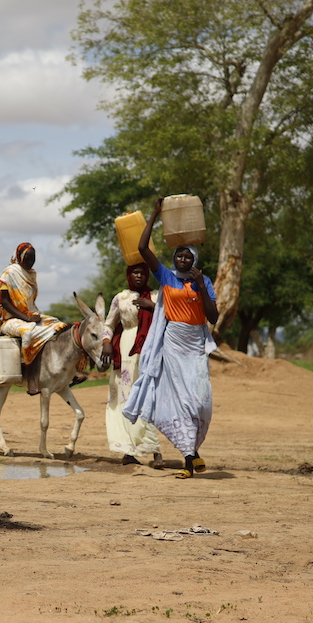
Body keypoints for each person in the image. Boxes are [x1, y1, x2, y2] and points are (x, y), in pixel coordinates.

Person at [122, 197, 219, 478]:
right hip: (173, 343)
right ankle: (189, 459)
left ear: (194, 260)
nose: (183, 259)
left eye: (188, 257)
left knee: (199, 399)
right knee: (178, 400)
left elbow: (212, 317)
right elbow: (142, 248)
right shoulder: (167, 276)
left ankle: (194, 450)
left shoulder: (204, 281)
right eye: (179, 256)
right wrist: (154, 214)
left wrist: (200, 286)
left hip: (195, 345)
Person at [100, 262, 164, 467]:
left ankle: (155, 451)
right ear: (129, 275)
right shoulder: (121, 298)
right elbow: (109, 324)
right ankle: (128, 451)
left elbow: (170, 317)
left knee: (148, 397)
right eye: (135, 272)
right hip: (126, 350)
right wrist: (107, 343)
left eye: (142, 272)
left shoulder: (156, 296)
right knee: (125, 399)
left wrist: (152, 307)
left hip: (151, 349)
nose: (139, 276)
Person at [0, 243, 66, 394]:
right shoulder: (9, 273)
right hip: (10, 320)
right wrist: (27, 318)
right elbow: (5, 303)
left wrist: (32, 316)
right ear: (20, 257)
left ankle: (64, 369)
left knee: (60, 326)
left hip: (31, 315)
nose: (30, 262)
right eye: (27, 258)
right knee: (28, 333)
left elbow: (30, 302)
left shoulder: (32, 274)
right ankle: (31, 376)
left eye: (33, 258)